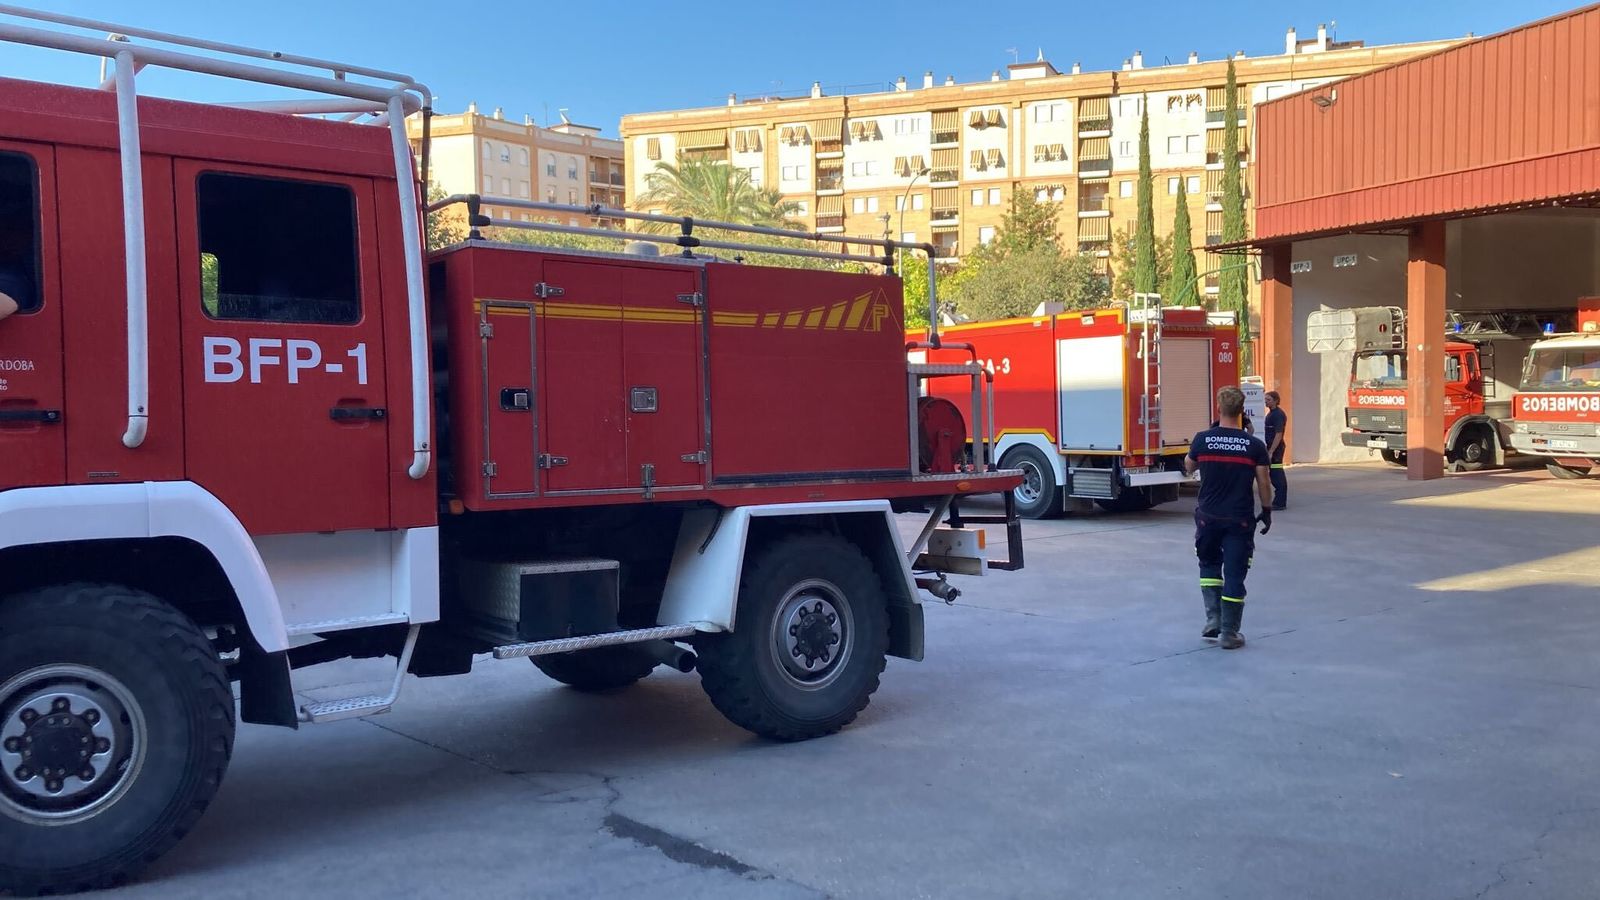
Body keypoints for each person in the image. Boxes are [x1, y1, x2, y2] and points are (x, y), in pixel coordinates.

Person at [1184, 386, 1274, 650]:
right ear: (1242, 411)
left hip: (1208, 518)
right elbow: (1264, 481)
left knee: (1209, 566)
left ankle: (1213, 618)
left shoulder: (1203, 439)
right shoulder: (1254, 446)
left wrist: (1210, 436)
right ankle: (1229, 633)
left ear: (1219, 409)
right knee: (1235, 574)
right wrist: (1267, 511)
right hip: (1239, 520)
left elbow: (1189, 467)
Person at [1263, 391, 1288, 510]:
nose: (1266, 401)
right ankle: (1279, 501)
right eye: (1265, 399)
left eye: (1268, 400)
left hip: (1276, 449)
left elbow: (1279, 434)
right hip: (1272, 447)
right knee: (1273, 473)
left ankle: (1280, 502)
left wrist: (1272, 451)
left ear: (1276, 401)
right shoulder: (1271, 414)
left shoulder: (1278, 415)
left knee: (1277, 473)